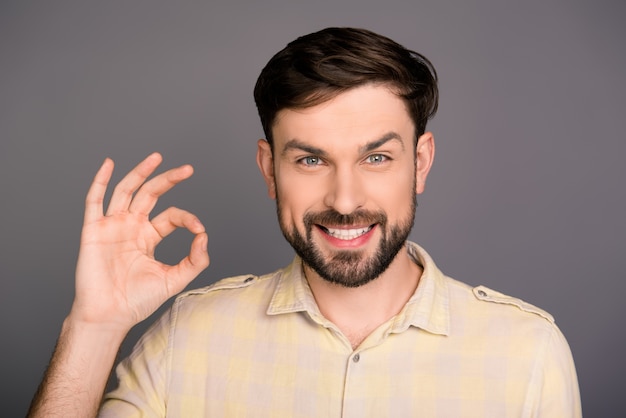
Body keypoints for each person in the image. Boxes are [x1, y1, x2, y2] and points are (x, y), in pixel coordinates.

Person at [28, 27, 581, 417]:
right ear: (271, 169)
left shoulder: (527, 351)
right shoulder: (186, 337)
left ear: (422, 162)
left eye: (376, 158)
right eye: (311, 160)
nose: (344, 200)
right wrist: (94, 327)